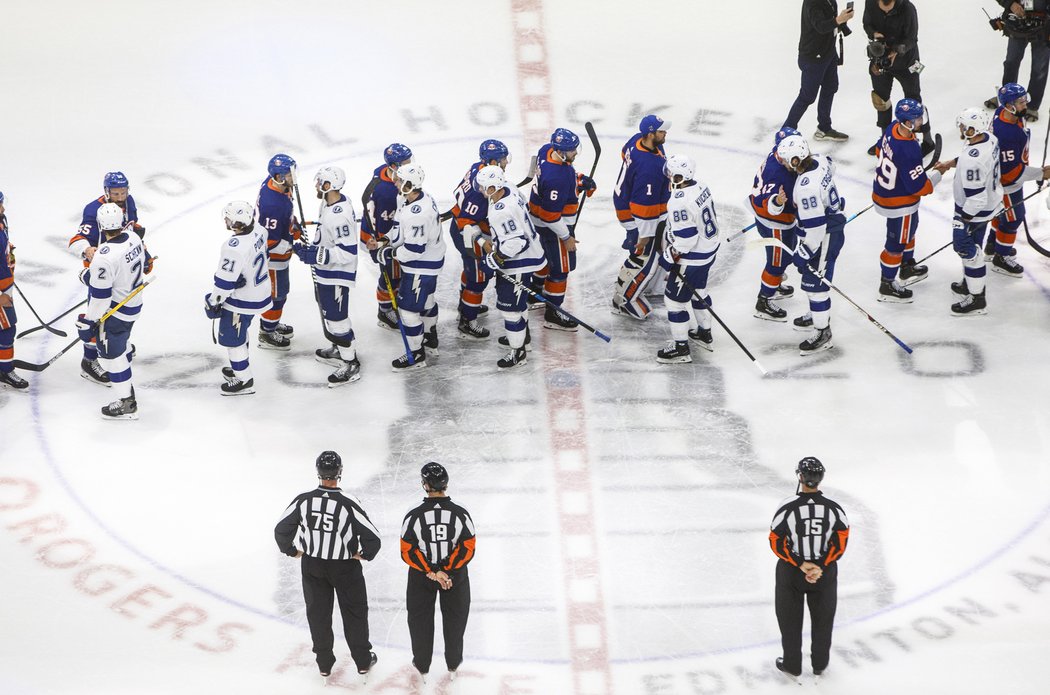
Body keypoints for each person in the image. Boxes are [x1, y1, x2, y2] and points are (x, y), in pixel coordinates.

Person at [274, 451, 381, 683]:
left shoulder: (303, 500)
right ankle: (363, 662)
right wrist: (364, 554)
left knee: (318, 614)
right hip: (345, 567)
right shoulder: (348, 503)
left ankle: (324, 664)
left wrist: (292, 550)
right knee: (354, 613)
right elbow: (373, 538)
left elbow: (281, 530)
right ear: (339, 472)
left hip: (312, 565)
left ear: (318, 472)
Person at [769, 457, 850, 681]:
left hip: (791, 573)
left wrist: (801, 564)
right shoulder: (834, 509)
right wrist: (820, 566)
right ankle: (820, 664)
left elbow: (776, 540)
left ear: (800, 477)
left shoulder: (787, 506)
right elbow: (840, 542)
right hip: (824, 575)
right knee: (823, 621)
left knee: (790, 621)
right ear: (821, 478)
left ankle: (793, 665)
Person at [400, 463, 476, 683]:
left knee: (419, 621)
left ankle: (422, 666)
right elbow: (468, 546)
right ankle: (453, 664)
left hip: (421, 577)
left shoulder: (414, 514)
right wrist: (447, 571)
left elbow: (407, 550)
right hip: (454, 578)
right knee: (455, 619)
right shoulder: (460, 513)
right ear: (446, 484)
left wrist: (432, 571)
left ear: (425, 485)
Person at [871, 99, 953, 302]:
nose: (920, 122)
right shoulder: (908, 148)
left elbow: (880, 152)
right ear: (907, 122)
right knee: (896, 243)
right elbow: (920, 187)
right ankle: (887, 284)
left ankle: (907, 266)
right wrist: (937, 174)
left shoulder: (892, 128)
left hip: (886, 192)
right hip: (899, 203)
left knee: (910, 231)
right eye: (917, 119)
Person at [68, 171, 145, 385]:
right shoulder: (94, 210)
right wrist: (88, 250)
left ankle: (116, 343)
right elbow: (77, 239)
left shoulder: (129, 201)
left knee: (118, 314)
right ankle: (89, 361)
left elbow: (133, 227)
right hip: (101, 269)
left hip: (120, 266)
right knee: (97, 316)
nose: (120, 196)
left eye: (123, 191)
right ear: (106, 191)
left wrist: (141, 253)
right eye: (116, 192)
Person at [76, 202, 149, 419]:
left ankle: (127, 403)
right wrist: (92, 276)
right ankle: (125, 381)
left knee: (111, 358)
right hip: (133, 304)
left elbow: (100, 297)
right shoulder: (134, 238)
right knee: (123, 344)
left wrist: (89, 321)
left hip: (115, 313)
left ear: (101, 225)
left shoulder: (104, 257)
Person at [368, 163, 444, 371]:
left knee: (408, 311)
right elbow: (398, 229)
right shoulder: (409, 199)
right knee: (427, 301)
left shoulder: (418, 213)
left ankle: (416, 355)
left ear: (410, 184)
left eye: (399, 180)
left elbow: (413, 249)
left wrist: (390, 253)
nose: (395, 182)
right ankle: (430, 339)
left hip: (421, 266)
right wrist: (384, 241)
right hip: (431, 261)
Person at [779, 134, 847, 355]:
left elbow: (816, 229)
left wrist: (804, 252)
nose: (782, 162)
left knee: (816, 285)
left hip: (824, 236)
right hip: (827, 229)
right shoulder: (819, 159)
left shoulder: (806, 188)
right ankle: (815, 313)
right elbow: (831, 167)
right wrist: (830, 201)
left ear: (796, 160)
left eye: (785, 159)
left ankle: (823, 332)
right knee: (811, 281)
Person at [295, 166, 362, 387]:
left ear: (329, 186)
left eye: (319, 182)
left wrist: (317, 254)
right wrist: (311, 248)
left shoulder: (339, 215)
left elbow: (347, 251)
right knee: (328, 313)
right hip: (326, 271)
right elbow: (325, 235)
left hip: (336, 274)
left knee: (336, 318)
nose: (316, 185)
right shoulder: (328, 203)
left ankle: (350, 363)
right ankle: (338, 348)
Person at [476, 165, 548, 369]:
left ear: (492, 187)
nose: (480, 190)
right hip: (530, 255)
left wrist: (494, 258)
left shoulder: (501, 211)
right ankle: (522, 338)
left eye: (483, 187)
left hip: (519, 262)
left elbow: (516, 243)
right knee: (518, 304)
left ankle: (518, 353)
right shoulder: (509, 188)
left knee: (511, 310)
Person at [528, 127, 596, 332]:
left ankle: (534, 292)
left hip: (536, 220)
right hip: (554, 228)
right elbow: (550, 216)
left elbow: (538, 167)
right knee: (560, 270)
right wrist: (566, 236)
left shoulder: (546, 150)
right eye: (572, 150)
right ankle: (553, 313)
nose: (575, 153)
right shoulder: (556, 177)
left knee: (545, 258)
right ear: (561, 151)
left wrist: (578, 179)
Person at [655, 154, 720, 364]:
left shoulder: (678, 201)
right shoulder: (701, 185)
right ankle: (704, 332)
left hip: (692, 257)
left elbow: (686, 239)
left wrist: (668, 257)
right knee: (699, 292)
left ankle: (681, 349)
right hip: (708, 250)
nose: (668, 175)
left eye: (671, 173)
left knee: (674, 302)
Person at [204, 201, 272, 396]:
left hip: (241, 301)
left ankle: (244, 380)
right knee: (242, 332)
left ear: (235, 223)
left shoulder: (233, 247)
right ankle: (238, 367)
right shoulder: (259, 230)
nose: (225, 220)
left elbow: (224, 283)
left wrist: (213, 301)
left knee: (233, 340)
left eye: (228, 218)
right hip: (261, 292)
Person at [986, 83, 1050, 276]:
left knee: (1001, 213)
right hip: (1005, 184)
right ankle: (1001, 256)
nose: (1025, 105)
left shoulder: (1007, 114)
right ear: (1009, 105)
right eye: (1020, 102)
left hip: (1006, 178)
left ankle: (992, 244)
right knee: (1013, 219)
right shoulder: (1006, 133)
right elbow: (1011, 173)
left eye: (1024, 100)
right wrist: (1041, 173)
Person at [611, 114, 671, 320]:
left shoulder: (637, 141)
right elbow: (644, 206)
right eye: (662, 131)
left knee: (660, 250)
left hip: (641, 208)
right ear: (650, 133)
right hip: (641, 215)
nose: (666, 134)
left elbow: (623, 153)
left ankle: (651, 286)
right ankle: (624, 300)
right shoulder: (649, 168)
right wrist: (638, 232)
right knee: (644, 256)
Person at [447, 140, 506, 340]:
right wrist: (482, 242)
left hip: (461, 227)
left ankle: (465, 305)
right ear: (492, 161)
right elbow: (466, 221)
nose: (506, 162)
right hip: (467, 235)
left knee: (472, 273)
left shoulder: (478, 168)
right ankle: (467, 321)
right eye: (502, 159)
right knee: (478, 279)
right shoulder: (478, 194)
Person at [862, 0, 935, 156]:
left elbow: (912, 39)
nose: (884, 10)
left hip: (907, 62)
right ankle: (885, 139)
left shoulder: (908, 9)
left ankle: (927, 140)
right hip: (881, 60)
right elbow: (867, 24)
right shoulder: (870, 3)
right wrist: (874, 34)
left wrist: (898, 50)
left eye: (888, 8)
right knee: (880, 100)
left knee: (914, 101)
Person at [950, 108, 1002, 316]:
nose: (961, 129)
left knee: (967, 249)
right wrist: (951, 163)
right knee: (974, 247)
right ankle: (970, 282)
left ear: (973, 129)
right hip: (990, 203)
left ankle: (977, 299)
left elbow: (976, 197)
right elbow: (974, 160)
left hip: (974, 211)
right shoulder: (990, 138)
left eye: (964, 126)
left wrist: (962, 220)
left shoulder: (974, 159)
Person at [783, 0, 855, 142]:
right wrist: (839, 19)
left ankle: (824, 128)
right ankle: (786, 131)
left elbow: (830, 23)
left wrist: (842, 23)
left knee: (830, 87)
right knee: (807, 96)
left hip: (828, 53)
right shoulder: (813, 2)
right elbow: (821, 26)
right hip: (813, 57)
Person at [749, 127, 801, 322]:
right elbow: (767, 201)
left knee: (786, 254)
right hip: (775, 223)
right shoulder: (776, 174)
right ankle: (763, 301)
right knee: (777, 262)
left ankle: (775, 283)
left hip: (777, 221)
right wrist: (777, 202)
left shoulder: (777, 155)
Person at [361, 143, 413, 331]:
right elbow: (382, 222)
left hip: (384, 232)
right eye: (405, 162)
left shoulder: (385, 173)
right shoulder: (387, 191)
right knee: (391, 275)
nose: (409, 164)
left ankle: (391, 305)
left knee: (395, 272)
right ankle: (384, 311)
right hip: (380, 236)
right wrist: (382, 244)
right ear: (393, 166)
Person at [256, 153, 301, 350]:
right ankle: (267, 333)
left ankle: (270, 323)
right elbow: (270, 240)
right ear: (279, 177)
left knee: (280, 292)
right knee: (277, 295)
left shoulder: (278, 186)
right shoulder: (273, 205)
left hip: (279, 253)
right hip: (273, 258)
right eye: (289, 174)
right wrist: (291, 247)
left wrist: (292, 224)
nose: (294, 177)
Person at [984, 1, 1050, 122]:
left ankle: (1031, 106)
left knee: (1039, 68)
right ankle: (1006, 99)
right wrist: (1010, 4)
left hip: (1045, 26)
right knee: (1011, 62)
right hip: (1017, 24)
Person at [0, 191, 28, 391]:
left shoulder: (2, 218)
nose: (3, 207)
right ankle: (5, 369)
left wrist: (8, 251)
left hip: (5, 285)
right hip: (1, 290)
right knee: (7, 328)